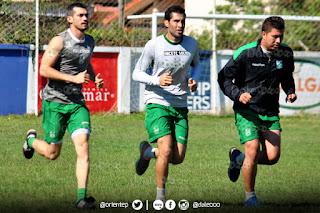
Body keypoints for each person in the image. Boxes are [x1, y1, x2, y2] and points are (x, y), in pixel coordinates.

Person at [22, 3, 103, 209]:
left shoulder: (90, 41)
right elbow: (43, 70)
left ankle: (81, 198)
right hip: (55, 103)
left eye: (87, 15)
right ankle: (30, 141)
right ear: (70, 19)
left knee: (83, 147)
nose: (85, 18)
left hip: (76, 104)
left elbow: (85, 62)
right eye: (80, 15)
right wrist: (73, 78)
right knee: (52, 153)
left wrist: (94, 79)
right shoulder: (59, 41)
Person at [218, 16, 297, 207]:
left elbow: (286, 76)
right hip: (248, 111)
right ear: (263, 34)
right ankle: (250, 198)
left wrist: (290, 91)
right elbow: (224, 78)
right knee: (252, 151)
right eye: (274, 37)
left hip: (269, 112)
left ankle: (238, 158)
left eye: (281, 37)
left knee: (272, 157)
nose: (278, 41)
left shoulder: (285, 53)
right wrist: (237, 94)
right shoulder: (245, 53)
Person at [132, 5, 200, 202]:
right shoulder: (154, 45)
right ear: (166, 23)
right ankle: (160, 197)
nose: (180, 25)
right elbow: (137, 73)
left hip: (180, 104)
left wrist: (192, 81)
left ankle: (147, 152)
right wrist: (157, 81)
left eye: (183, 21)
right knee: (167, 150)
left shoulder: (192, 44)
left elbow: (195, 66)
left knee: (177, 158)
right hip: (157, 101)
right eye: (176, 21)